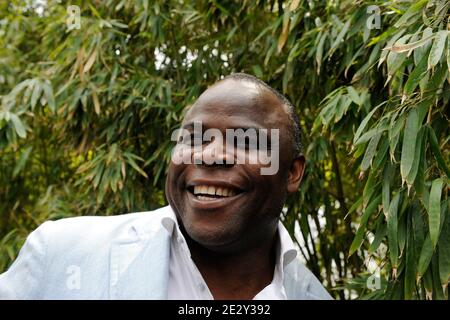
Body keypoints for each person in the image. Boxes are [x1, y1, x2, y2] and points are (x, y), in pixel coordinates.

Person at [0, 73, 332, 300]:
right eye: (194, 138)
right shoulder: (59, 253)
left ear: (292, 172)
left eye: (244, 141)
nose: (210, 155)